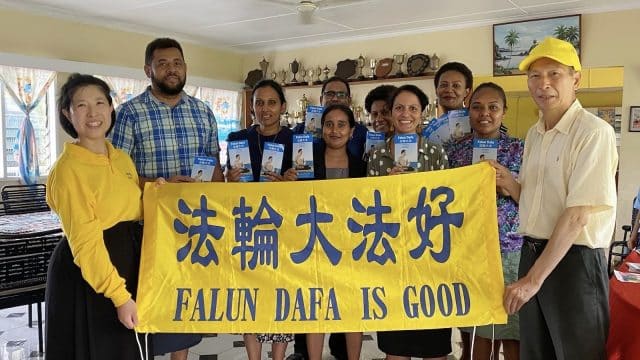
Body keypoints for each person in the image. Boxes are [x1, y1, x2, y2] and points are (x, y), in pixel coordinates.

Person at [501, 37, 617, 360]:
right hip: (533, 252)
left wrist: (531, 281)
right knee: (536, 353)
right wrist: (508, 182)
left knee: (577, 353)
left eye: (555, 74)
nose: (544, 84)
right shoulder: (534, 134)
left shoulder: (594, 132)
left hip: (574, 262)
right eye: (535, 76)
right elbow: (535, 202)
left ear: (576, 78)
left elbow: (577, 215)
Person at [111, 37, 223, 360]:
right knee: (149, 301)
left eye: (177, 63)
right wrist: (160, 186)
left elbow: (214, 167)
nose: (171, 70)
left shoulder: (203, 112)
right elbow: (119, 176)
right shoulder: (129, 114)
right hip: (148, 229)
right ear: (148, 69)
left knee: (183, 305)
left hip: (194, 228)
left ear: (185, 67)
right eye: (163, 64)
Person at [45, 73, 153, 359]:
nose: (93, 113)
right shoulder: (68, 171)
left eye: (99, 102)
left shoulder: (120, 157)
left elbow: (132, 207)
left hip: (126, 264)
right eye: (81, 105)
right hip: (90, 275)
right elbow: (86, 244)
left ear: (110, 108)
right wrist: (119, 297)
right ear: (68, 114)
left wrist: (158, 193)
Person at [368, 84, 450, 360]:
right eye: (399, 108)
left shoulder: (436, 153)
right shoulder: (377, 155)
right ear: (390, 113)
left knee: (434, 344)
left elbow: (446, 199)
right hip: (390, 255)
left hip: (429, 256)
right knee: (395, 347)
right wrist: (387, 188)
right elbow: (368, 203)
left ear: (422, 113)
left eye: (413, 108)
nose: (406, 114)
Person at [446, 82, 523, 360]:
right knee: (476, 332)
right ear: (468, 110)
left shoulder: (520, 149)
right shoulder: (455, 152)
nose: (485, 113)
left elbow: (535, 201)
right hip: (469, 249)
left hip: (510, 249)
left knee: (513, 329)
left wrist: (510, 184)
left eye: (493, 107)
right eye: (477, 107)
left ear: (504, 111)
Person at [284, 104, 366, 360]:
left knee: (352, 307)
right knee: (315, 305)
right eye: (329, 124)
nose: (335, 130)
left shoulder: (361, 167)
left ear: (352, 131)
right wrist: (288, 182)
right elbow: (291, 202)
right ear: (321, 130)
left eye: (342, 124)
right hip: (314, 244)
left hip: (351, 246)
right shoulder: (305, 163)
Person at [226, 79, 294, 360]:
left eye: (271, 102)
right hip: (248, 226)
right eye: (259, 102)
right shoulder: (237, 139)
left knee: (282, 292)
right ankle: (253, 357)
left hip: (284, 226)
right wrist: (228, 180)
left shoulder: (297, 140)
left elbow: (309, 185)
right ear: (251, 106)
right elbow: (228, 185)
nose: (265, 109)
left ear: (283, 106)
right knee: (250, 292)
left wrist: (293, 180)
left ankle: (278, 356)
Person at [293, 76, 368, 161]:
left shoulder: (362, 132)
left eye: (341, 95)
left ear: (349, 101)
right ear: (321, 99)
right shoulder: (300, 130)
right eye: (329, 94)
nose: (335, 99)